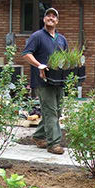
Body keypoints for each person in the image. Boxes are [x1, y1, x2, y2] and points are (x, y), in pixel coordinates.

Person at [21, 8, 67, 155]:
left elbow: (66, 59)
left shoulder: (61, 39)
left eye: (54, 16)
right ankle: (54, 144)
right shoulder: (37, 36)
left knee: (56, 112)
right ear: (44, 19)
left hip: (58, 81)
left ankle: (39, 136)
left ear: (57, 21)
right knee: (51, 112)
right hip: (42, 81)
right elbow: (26, 54)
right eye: (48, 15)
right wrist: (39, 65)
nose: (51, 18)